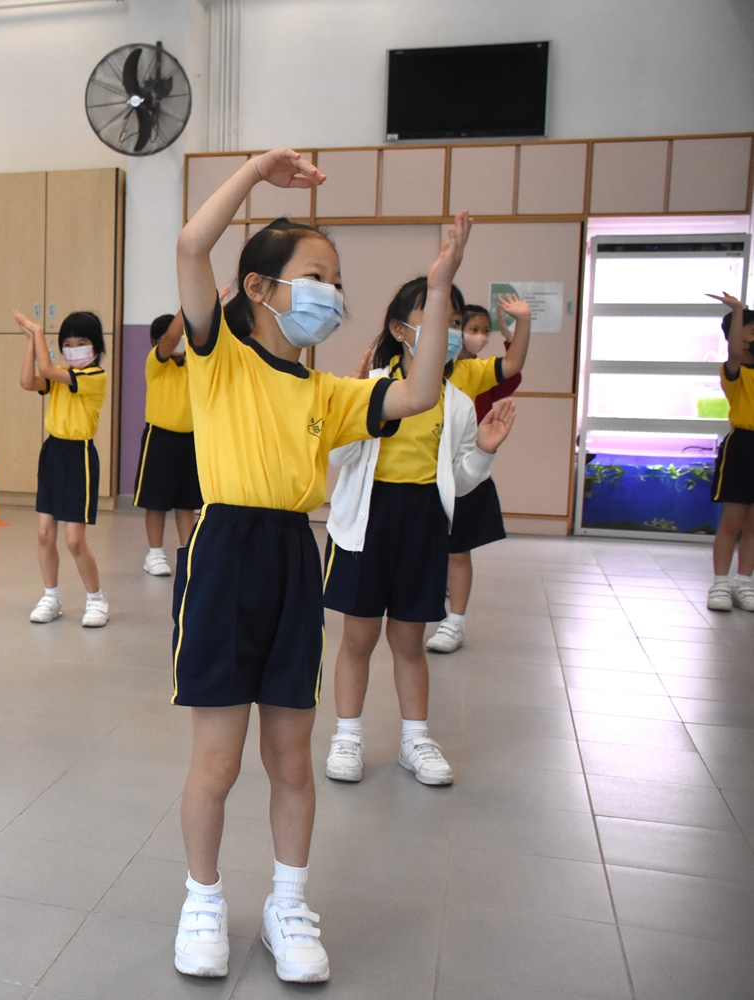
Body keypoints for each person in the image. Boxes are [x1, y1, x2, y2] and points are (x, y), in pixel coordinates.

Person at [171, 146, 473, 985]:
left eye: (337, 281)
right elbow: (192, 245)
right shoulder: (218, 357)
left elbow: (417, 393)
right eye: (316, 276)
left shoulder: (325, 392)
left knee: (290, 759)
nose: (332, 293)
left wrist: (438, 290)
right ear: (259, 287)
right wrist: (255, 174)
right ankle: (203, 899)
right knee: (218, 761)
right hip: (224, 554)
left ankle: (288, 904)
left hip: (293, 561)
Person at [323, 278, 520, 790]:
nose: (447, 332)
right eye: (434, 320)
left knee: (409, 641)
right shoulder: (371, 387)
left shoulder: (456, 403)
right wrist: (349, 411)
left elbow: (461, 479)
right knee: (358, 638)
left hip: (424, 523)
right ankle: (347, 736)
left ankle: (415, 739)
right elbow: (338, 457)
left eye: (453, 323)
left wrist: (486, 450)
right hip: (366, 521)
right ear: (399, 329)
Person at [428, 300, 526, 652]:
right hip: (425, 475)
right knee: (429, 549)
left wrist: (520, 326)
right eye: (471, 328)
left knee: (457, 551)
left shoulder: (473, 372)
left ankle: (454, 622)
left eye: (484, 330)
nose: (478, 336)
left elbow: (512, 370)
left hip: (465, 473)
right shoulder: (416, 373)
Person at [16, 309, 110, 626]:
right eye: (67, 345)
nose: (73, 350)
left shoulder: (94, 376)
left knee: (74, 540)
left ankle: (96, 599)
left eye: (81, 343)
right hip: (52, 452)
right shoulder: (62, 375)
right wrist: (31, 341)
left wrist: (38, 332)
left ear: (95, 346)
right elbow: (28, 380)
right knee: (44, 533)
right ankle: (51, 596)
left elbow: (46, 368)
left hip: (79, 455)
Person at [134, 312, 202, 576]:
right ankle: (154, 554)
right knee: (156, 501)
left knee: (186, 503)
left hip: (190, 440)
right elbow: (171, 336)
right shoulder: (156, 363)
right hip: (160, 438)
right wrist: (188, 308)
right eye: (175, 337)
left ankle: (188, 553)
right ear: (156, 342)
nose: (179, 340)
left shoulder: (193, 363)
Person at [708, 294, 754, 611]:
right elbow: (736, 350)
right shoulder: (734, 370)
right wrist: (738, 310)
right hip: (742, 447)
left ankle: (745, 583)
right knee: (732, 521)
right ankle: (720, 584)